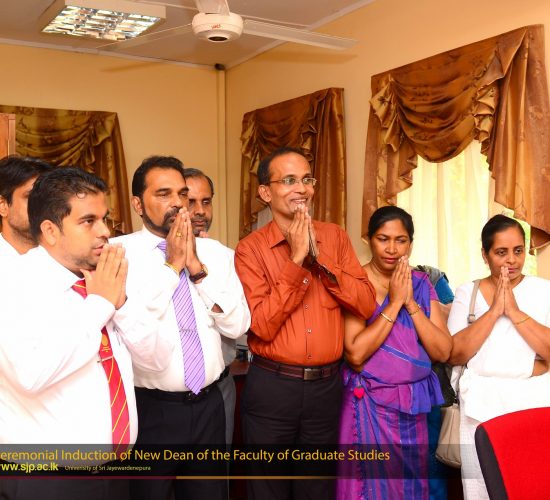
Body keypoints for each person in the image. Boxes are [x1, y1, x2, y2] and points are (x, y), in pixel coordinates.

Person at [234, 147, 377, 500]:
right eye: (289, 180)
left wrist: (320, 259)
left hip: (326, 388)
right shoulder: (250, 249)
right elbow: (262, 325)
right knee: (268, 490)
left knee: (317, 487)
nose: (302, 188)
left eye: (306, 179)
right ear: (265, 192)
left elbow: (365, 303)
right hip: (273, 388)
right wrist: (297, 260)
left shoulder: (335, 237)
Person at [114, 155, 250, 500]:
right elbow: (133, 327)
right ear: (137, 204)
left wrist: (196, 268)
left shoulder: (217, 254)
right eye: (163, 194)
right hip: (149, 410)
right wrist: (173, 265)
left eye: (182, 193)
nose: (177, 202)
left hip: (209, 407)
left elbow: (238, 325)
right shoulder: (117, 255)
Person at [0, 167, 135, 500]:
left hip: (116, 472)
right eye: (88, 221)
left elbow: (145, 360)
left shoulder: (98, 278)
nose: (105, 231)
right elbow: (31, 374)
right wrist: (101, 304)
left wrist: (119, 304)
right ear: (50, 230)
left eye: (104, 218)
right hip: (49, 479)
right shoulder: (14, 284)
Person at [337, 206, 452, 500]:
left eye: (400, 240)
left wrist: (410, 303)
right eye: (383, 239)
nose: (391, 249)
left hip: (412, 407)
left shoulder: (421, 284)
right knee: (371, 487)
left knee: (410, 487)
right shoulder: (356, 282)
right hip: (367, 405)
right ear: (369, 239)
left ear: (410, 243)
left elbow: (442, 350)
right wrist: (394, 302)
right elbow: (356, 354)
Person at [447, 214, 550, 500]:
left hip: (534, 407)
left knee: (530, 485)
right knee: (482, 488)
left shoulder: (544, 290)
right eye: (501, 252)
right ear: (485, 254)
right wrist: (494, 311)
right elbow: (456, 354)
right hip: (479, 410)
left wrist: (514, 312)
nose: (511, 260)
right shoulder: (468, 292)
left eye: (518, 251)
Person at [184, 167, 237, 447]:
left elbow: (239, 326)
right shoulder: (144, 257)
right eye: (191, 202)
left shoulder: (228, 259)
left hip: (219, 388)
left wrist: (206, 268)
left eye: (206, 202)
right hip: (160, 399)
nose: (200, 211)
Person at [0, 155, 52, 265]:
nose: (42, 204)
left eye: (47, 197)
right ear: (3, 206)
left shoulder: (70, 261)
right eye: (30, 197)